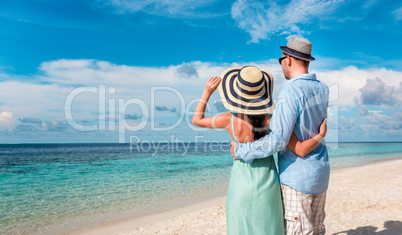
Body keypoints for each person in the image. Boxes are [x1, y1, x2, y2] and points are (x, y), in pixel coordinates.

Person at [192, 65, 327, 235]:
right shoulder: (272, 121)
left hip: (240, 186)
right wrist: (320, 135)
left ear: (236, 94)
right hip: (268, 184)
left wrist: (207, 92)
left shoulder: (228, 120)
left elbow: (197, 120)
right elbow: (299, 148)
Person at [231, 37, 330, 235]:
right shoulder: (323, 88)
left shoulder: (290, 90)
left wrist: (242, 150)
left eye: (280, 59)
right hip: (320, 172)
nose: (281, 64)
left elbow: (278, 140)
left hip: (297, 178)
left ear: (288, 58)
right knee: (318, 229)